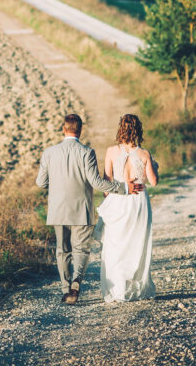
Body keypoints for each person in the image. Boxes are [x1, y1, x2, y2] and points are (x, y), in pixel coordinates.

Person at [36, 112, 142, 305]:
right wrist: (124, 188)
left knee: (62, 250)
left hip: (58, 210)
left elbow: (41, 182)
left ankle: (65, 288)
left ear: (64, 129)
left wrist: (58, 185)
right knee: (81, 250)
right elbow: (97, 183)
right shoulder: (86, 152)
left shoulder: (49, 153)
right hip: (81, 209)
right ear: (80, 130)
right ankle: (77, 280)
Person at [96, 113, 158, 302]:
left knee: (116, 244)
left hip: (119, 198)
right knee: (137, 243)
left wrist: (111, 199)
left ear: (120, 129)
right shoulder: (144, 154)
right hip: (138, 200)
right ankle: (136, 289)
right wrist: (155, 166)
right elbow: (154, 182)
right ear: (138, 130)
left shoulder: (111, 152)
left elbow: (107, 183)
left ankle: (118, 289)